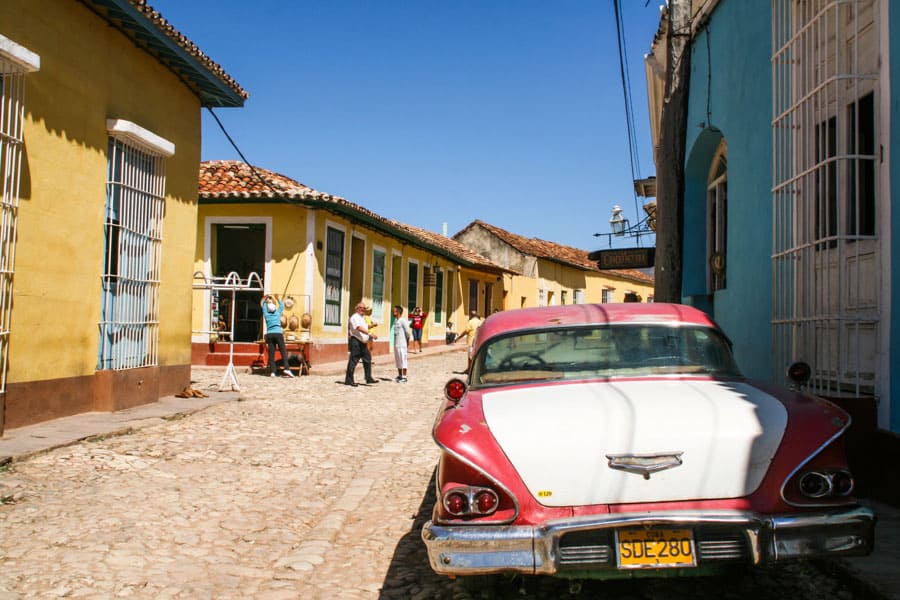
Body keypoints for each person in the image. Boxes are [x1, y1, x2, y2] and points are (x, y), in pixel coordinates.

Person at [344, 301, 378, 386]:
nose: (363, 310)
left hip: (362, 342)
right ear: (357, 309)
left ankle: (368, 378)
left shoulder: (362, 318)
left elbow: (365, 326)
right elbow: (358, 328)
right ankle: (349, 380)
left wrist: (372, 326)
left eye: (364, 308)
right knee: (353, 360)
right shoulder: (354, 317)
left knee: (367, 359)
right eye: (361, 308)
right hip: (356, 341)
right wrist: (370, 334)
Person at [261, 294, 294, 378]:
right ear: (275, 308)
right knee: (283, 351)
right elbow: (282, 305)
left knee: (271, 354)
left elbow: (262, 304)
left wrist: (265, 298)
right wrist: (277, 298)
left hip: (269, 335)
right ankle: (286, 368)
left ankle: (273, 372)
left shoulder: (266, 314)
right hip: (278, 334)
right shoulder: (277, 313)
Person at [391, 305, 412, 382]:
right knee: (398, 360)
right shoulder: (396, 321)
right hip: (396, 344)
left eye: (394, 311)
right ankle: (400, 375)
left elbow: (407, 333)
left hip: (402, 344)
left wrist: (407, 342)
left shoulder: (403, 320)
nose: (393, 312)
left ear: (398, 312)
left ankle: (404, 377)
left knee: (403, 360)